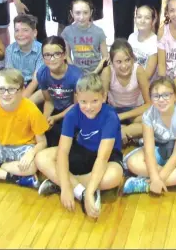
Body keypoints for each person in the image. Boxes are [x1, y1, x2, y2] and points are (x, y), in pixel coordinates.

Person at [34, 74, 124, 219]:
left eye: (94, 101)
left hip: (106, 156)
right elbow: (63, 152)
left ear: (103, 96)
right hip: (81, 151)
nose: (88, 107)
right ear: (76, 98)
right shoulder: (72, 114)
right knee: (41, 157)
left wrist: (88, 194)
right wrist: (66, 187)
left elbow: (102, 157)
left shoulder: (110, 116)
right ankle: (77, 188)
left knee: (114, 177)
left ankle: (60, 182)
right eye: (83, 102)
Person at [122, 77, 176, 196]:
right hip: (157, 148)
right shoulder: (148, 116)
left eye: (166, 95)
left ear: (175, 96)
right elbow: (149, 151)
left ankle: (144, 184)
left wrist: (159, 178)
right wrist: (155, 178)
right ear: (151, 99)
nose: (161, 100)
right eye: (156, 96)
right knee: (133, 162)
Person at [28, 36, 83, 147]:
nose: (52, 59)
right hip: (56, 109)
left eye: (56, 54)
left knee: (62, 134)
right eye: (47, 55)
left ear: (64, 55)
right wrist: (45, 119)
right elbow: (49, 101)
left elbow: (77, 106)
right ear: (43, 57)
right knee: (42, 131)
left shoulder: (76, 76)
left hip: (74, 110)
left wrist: (55, 118)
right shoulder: (42, 73)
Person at [101, 39, 151, 144]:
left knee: (150, 122)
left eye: (127, 60)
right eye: (118, 62)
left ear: (133, 59)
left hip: (135, 111)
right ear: (111, 62)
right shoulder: (107, 72)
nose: (124, 66)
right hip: (114, 110)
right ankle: (126, 133)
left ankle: (122, 131)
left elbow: (149, 104)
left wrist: (122, 117)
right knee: (100, 121)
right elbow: (101, 103)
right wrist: (112, 118)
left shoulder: (139, 71)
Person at [62, 0, 108, 74]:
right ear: (71, 13)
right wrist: (75, 72)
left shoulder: (99, 32)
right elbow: (67, 56)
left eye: (85, 13)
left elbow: (105, 57)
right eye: (77, 13)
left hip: (96, 72)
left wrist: (94, 73)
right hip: (76, 73)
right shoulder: (67, 32)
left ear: (91, 13)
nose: (82, 17)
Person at [4, 14, 44, 86]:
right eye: (17, 30)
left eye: (25, 30)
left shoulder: (41, 50)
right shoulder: (10, 49)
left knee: (42, 91)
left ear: (34, 33)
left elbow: (36, 81)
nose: (20, 34)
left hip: (35, 84)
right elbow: (10, 76)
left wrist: (22, 97)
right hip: (15, 84)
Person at [128, 5, 158, 81]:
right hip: (130, 78)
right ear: (135, 19)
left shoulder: (155, 42)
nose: (142, 21)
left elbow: (147, 76)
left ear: (153, 21)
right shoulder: (131, 37)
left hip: (144, 84)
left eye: (147, 18)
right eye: (139, 17)